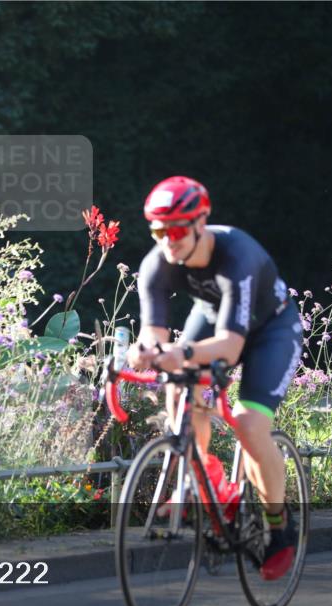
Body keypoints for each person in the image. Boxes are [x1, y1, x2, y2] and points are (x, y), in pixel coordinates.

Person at [127, 175, 303, 580]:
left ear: (200, 222)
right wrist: (144, 352)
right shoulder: (156, 264)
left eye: (175, 230)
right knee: (177, 390)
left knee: (248, 424)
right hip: (212, 319)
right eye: (158, 230)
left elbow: (230, 348)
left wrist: (180, 353)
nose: (167, 240)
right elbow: (154, 337)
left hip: (270, 330)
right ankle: (206, 483)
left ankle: (278, 524)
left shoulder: (237, 255)